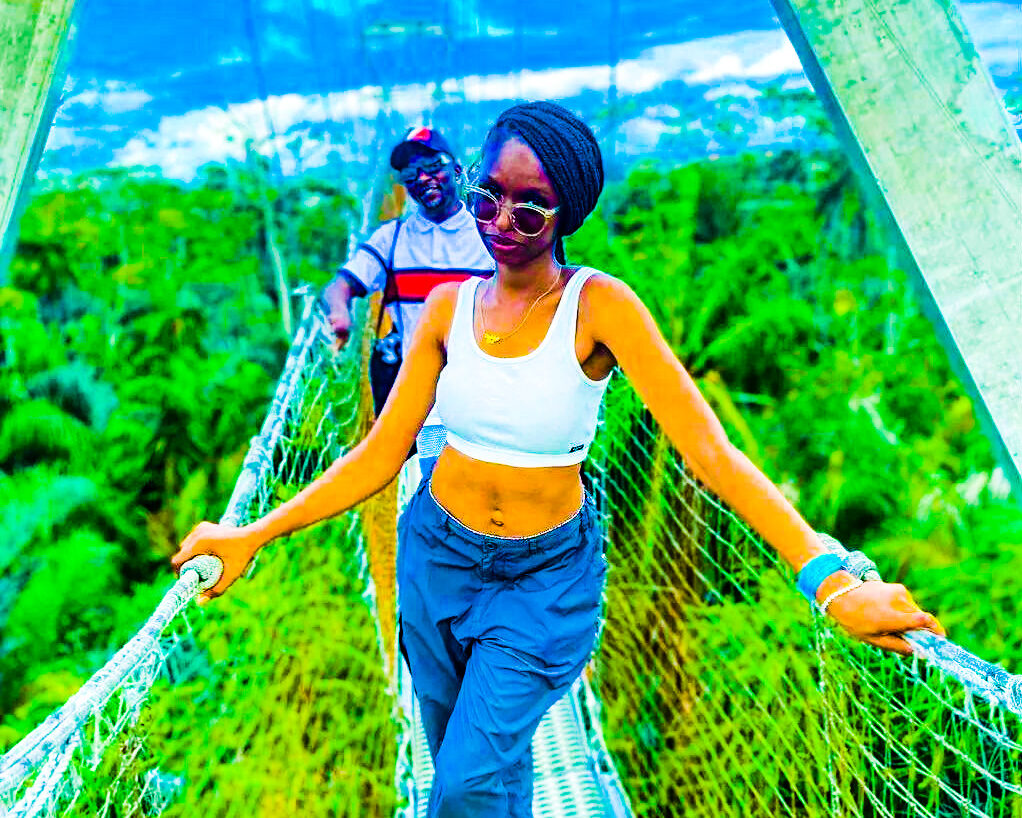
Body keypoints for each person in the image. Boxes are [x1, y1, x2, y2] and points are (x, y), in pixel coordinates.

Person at [173, 101, 945, 817]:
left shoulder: (599, 305)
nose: (502, 221)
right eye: (488, 197)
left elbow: (708, 448)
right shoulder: (444, 311)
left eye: (531, 205)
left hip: (543, 583)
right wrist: (252, 536)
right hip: (436, 561)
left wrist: (829, 581)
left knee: (462, 784)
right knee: (473, 766)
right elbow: (381, 454)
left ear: (567, 211)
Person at [322, 125, 494, 475]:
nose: (424, 178)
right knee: (428, 484)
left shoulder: (487, 234)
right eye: (412, 172)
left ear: (457, 170)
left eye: (434, 166)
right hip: (419, 392)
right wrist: (340, 315)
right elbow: (339, 286)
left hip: (483, 386)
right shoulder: (394, 238)